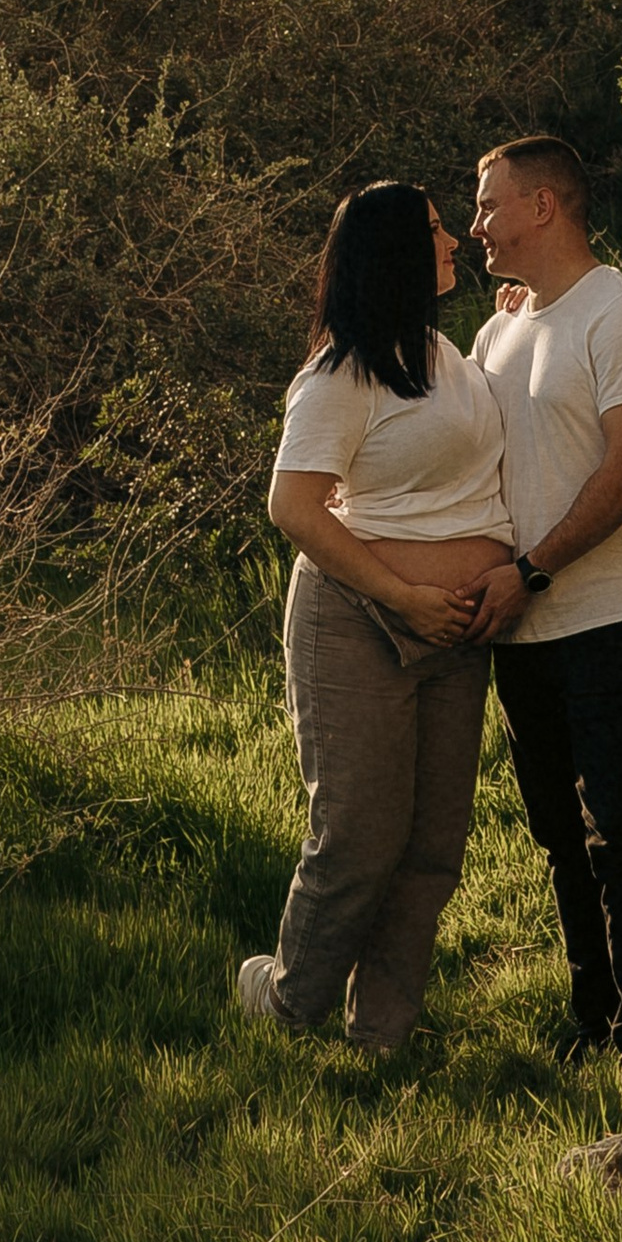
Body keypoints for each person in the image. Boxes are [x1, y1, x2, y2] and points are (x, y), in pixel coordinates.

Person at [235, 182, 512, 1054]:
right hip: (359, 619)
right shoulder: (340, 372)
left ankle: (380, 1037)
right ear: (392, 250)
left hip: (459, 634)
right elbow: (294, 506)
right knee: (358, 835)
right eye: (435, 229)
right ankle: (286, 1004)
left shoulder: (450, 354)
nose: (455, 241)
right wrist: (406, 597)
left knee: (432, 848)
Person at [464, 135, 622, 1104]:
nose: (476, 225)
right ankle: (592, 1015)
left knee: (620, 833)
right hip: (525, 624)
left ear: (544, 205)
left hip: (614, 610)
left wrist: (532, 568)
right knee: (558, 835)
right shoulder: (498, 330)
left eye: (487, 205)